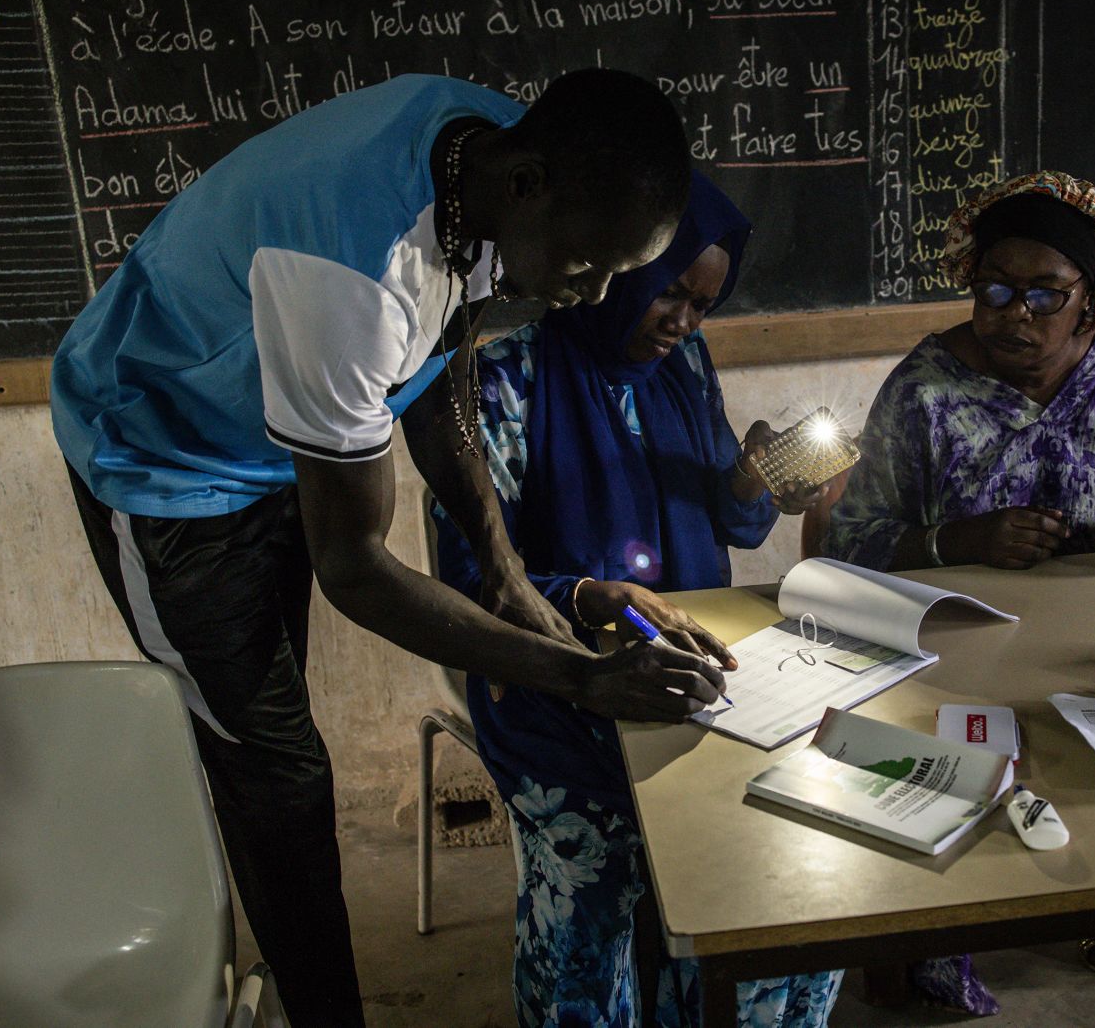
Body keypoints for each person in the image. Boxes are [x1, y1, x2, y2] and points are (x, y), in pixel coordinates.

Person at [50, 70, 720, 1027]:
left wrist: (507, 577)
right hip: (163, 459)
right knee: (274, 772)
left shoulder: (482, 145)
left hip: (276, 435)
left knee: (284, 743)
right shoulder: (352, 275)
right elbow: (355, 567)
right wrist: (577, 680)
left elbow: (450, 358)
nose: (596, 293)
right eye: (592, 263)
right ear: (528, 185)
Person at [432, 173, 841, 1027]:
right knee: (592, 882)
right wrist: (589, 596)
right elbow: (468, 583)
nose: (683, 322)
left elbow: (730, 515)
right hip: (559, 690)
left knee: (775, 873)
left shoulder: (683, 367)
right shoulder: (501, 383)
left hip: (695, 672)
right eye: (672, 294)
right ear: (627, 271)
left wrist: (753, 478)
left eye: (702, 305)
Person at [824, 171, 1095, 1006]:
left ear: (1091, 296)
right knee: (957, 786)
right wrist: (954, 540)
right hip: (958, 659)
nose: (1015, 313)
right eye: (995, 289)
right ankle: (945, 937)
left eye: (1045, 293)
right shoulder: (923, 390)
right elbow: (849, 543)